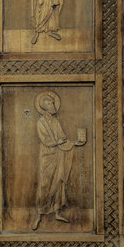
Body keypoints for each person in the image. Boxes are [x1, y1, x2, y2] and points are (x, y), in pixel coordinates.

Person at [31, 91, 84, 230]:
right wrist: (57, 141)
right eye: (49, 103)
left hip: (58, 155)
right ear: (44, 106)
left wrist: (74, 143)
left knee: (58, 182)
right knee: (44, 184)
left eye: (53, 102)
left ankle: (56, 212)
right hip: (47, 156)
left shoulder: (55, 121)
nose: (52, 104)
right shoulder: (41, 122)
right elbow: (45, 140)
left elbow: (62, 138)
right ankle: (38, 214)